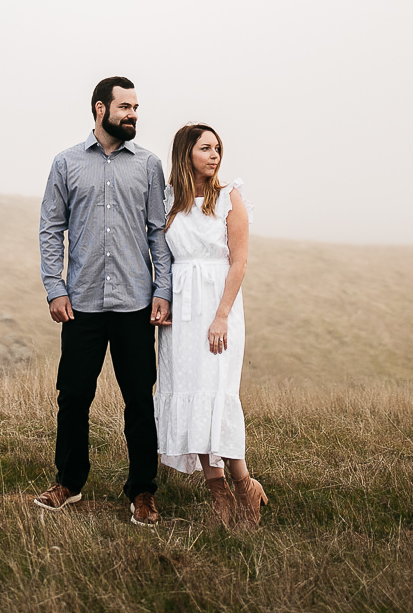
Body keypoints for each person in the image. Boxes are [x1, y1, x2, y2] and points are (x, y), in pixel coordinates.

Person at [32, 77, 174, 526]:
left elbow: (158, 233)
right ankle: (69, 483)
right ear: (100, 109)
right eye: (125, 107)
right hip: (83, 305)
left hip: (135, 304)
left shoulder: (149, 166)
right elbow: (51, 228)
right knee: (73, 396)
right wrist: (54, 287)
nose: (133, 114)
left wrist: (163, 290)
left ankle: (143, 491)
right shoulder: (66, 163)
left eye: (136, 107)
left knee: (139, 400)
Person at [155, 123, 268, 527]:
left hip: (217, 309)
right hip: (180, 316)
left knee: (215, 397)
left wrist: (221, 316)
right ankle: (217, 492)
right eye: (205, 148)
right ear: (186, 153)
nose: (214, 155)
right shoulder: (169, 200)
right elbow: (163, 259)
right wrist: (162, 301)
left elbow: (238, 263)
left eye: (217, 148)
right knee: (190, 396)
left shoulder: (227, 197)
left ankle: (244, 487)